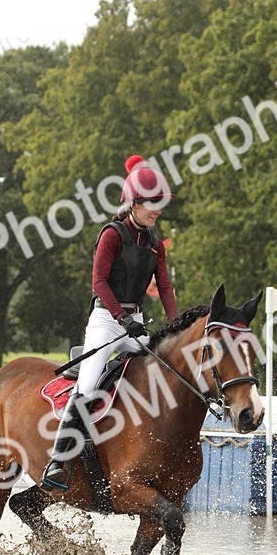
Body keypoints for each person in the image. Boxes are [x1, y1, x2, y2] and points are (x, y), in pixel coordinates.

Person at [41, 153, 178, 491]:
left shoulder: (155, 246)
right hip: (106, 320)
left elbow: (165, 287)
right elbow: (98, 282)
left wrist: (174, 328)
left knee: (166, 369)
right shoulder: (112, 235)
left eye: (160, 203)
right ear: (133, 202)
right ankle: (58, 461)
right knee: (87, 388)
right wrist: (121, 317)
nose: (158, 209)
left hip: (136, 324)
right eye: (152, 203)